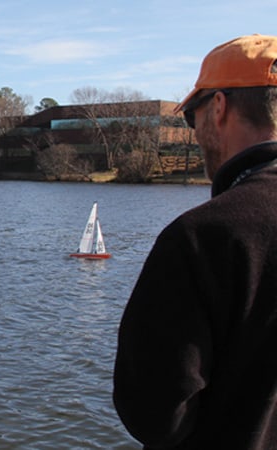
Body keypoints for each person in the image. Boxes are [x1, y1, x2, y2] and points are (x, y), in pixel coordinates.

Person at [113, 34, 277, 449]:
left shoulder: (203, 237)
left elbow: (155, 417)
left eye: (192, 117)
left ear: (219, 107)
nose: (195, 129)